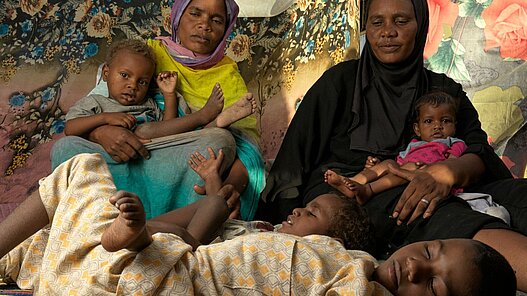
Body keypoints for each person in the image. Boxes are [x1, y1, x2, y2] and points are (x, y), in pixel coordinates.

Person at [256, 0, 527, 291]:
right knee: (421, 206)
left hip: (444, 174)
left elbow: (478, 153)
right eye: (377, 22)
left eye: (400, 21)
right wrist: (274, 226)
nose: (388, 32)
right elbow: (293, 160)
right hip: (350, 189)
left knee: (518, 194)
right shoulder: (340, 82)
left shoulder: (444, 90)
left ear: (420, 25)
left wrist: (444, 173)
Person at [0, 154, 517, 295]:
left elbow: (187, 236)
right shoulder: (263, 234)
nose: (416, 272)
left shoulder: (348, 279)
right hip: (137, 264)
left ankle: (121, 242)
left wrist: (216, 206)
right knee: (43, 243)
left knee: (80, 169)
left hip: (160, 276)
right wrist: (217, 207)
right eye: (428, 256)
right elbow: (175, 228)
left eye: (435, 290)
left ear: (326, 240)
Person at [51, 0, 265, 221]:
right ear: (177, 16)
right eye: (195, 13)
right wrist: (102, 132)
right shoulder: (147, 55)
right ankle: (105, 219)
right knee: (65, 148)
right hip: (117, 156)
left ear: (226, 28)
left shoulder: (229, 76)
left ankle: (178, 222)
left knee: (220, 141)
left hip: (170, 163)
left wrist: (228, 189)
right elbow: (91, 111)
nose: (205, 25)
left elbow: (247, 148)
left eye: (217, 20)